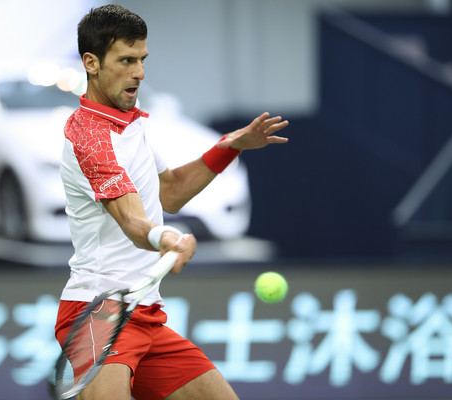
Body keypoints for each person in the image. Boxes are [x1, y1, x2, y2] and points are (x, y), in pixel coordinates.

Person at [55, 4, 289, 400]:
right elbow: (132, 220)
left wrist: (229, 147)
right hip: (98, 314)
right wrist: (167, 238)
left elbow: (171, 191)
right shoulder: (89, 137)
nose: (139, 73)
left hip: (144, 312)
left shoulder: (131, 124)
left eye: (142, 60)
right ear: (91, 63)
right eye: (126, 61)